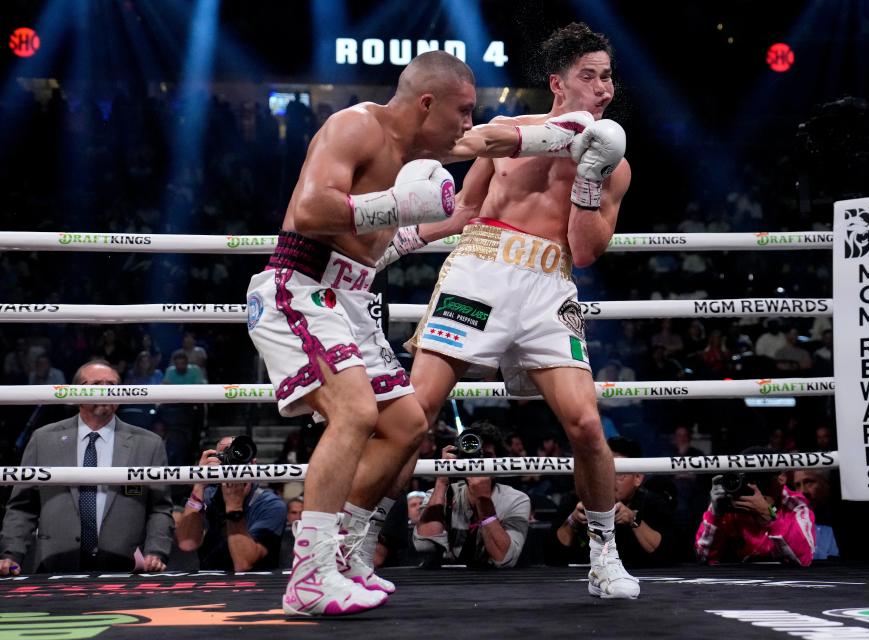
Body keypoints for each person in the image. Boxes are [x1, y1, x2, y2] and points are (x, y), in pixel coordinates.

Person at [245, 50, 595, 615]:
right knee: (356, 413)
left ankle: (346, 555)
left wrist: (566, 132)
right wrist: (396, 206)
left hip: (352, 296)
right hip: (301, 285)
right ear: (426, 103)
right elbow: (310, 212)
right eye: (461, 111)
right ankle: (308, 575)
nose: (466, 122)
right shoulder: (355, 125)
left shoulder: (425, 147)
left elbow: (485, 142)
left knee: (407, 423)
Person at [399, 22, 636, 598]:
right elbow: (465, 206)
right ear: (558, 83)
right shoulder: (511, 131)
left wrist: (586, 178)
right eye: (590, 76)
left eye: (608, 77)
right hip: (481, 264)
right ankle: (352, 541)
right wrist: (395, 240)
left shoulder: (615, 164)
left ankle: (603, 554)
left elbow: (583, 251)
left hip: (548, 280)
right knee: (415, 413)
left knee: (584, 422)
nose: (603, 89)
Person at [0, 360, 173, 574]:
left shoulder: (148, 443)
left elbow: (160, 508)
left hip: (124, 565)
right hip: (56, 563)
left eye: (112, 385)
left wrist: (156, 551)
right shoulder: (44, 439)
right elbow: (22, 506)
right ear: (76, 393)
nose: (106, 391)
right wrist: (11, 555)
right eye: (97, 384)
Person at [413, 422, 531, 568]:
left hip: (495, 585)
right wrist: (442, 480)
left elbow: (505, 559)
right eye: (473, 456)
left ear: (499, 460)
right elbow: (424, 547)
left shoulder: (516, 500)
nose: (478, 464)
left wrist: (483, 501)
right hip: (442, 583)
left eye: (486, 457)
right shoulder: (437, 494)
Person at [551, 437, 676, 567]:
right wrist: (573, 521)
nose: (609, 480)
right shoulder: (577, 501)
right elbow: (551, 557)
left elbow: (669, 555)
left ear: (637, 478)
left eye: (619, 473)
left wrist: (634, 520)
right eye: (604, 472)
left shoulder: (653, 504)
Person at [175, 436, 287, 571]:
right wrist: (199, 484)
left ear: (253, 464)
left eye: (240, 457)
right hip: (210, 582)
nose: (232, 465)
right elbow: (187, 544)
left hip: (257, 586)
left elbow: (243, 564)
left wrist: (234, 508)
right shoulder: (207, 495)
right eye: (224, 456)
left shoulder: (270, 505)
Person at [695, 447, 815, 566]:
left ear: (781, 477)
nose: (754, 486)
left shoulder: (794, 504)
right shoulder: (730, 500)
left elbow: (804, 558)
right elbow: (703, 557)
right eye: (748, 479)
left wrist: (770, 516)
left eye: (760, 479)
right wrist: (715, 516)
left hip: (787, 578)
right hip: (740, 579)